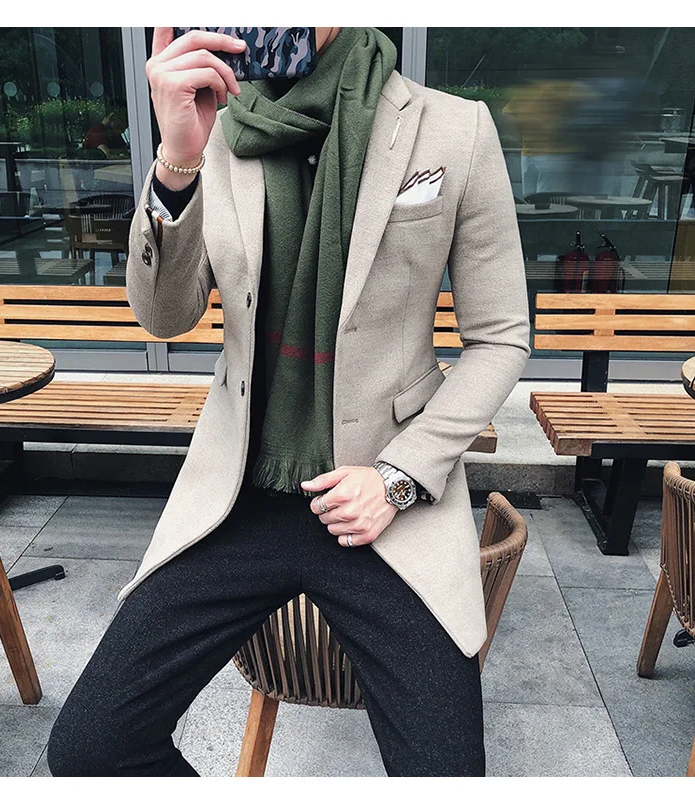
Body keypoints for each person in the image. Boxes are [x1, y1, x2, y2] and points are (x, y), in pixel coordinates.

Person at [46, 26, 531, 777]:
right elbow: (165, 318)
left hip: (381, 503)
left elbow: (501, 337)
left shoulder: (453, 127)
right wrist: (176, 158)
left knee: (447, 774)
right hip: (240, 494)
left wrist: (398, 478)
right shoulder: (212, 127)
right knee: (91, 747)